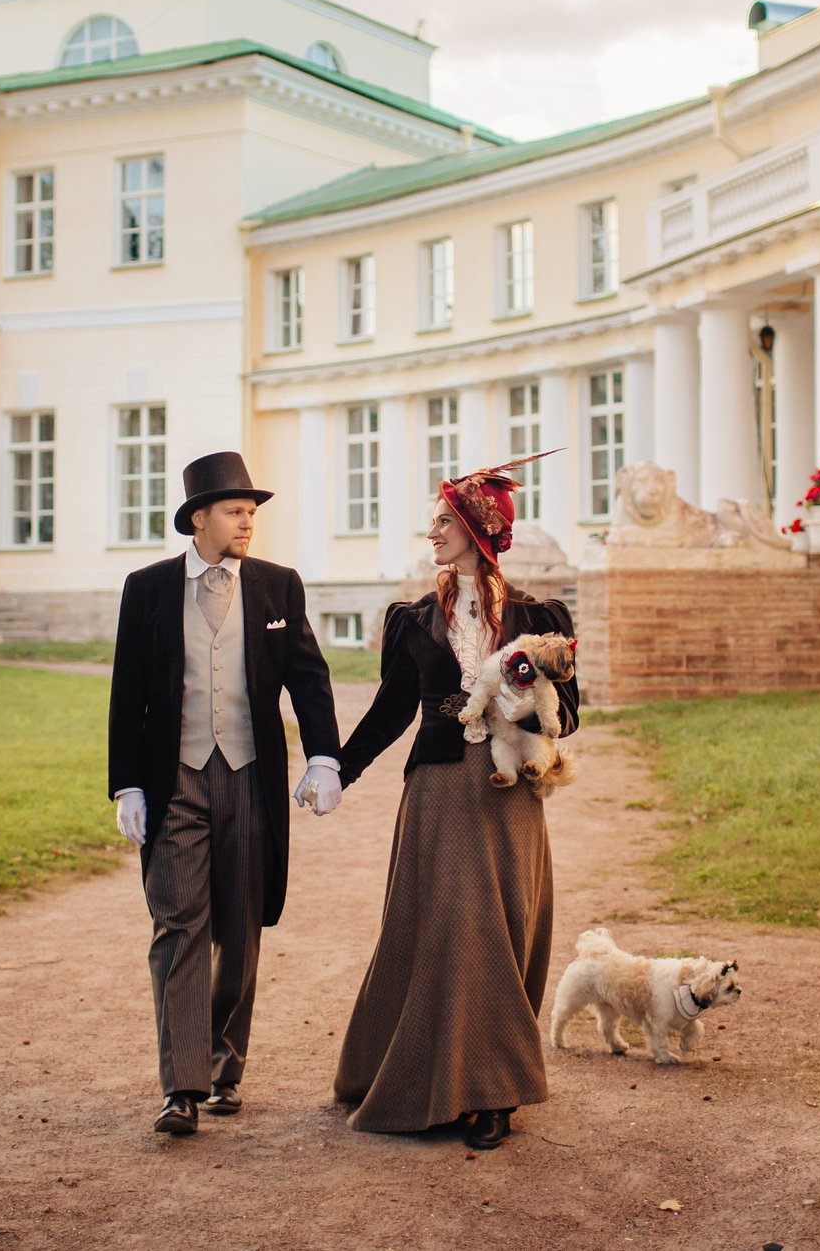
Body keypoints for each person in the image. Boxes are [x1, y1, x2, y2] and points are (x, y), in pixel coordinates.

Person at [330, 456, 578, 1151]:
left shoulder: (539, 618)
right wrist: (337, 769)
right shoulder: (412, 620)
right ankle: (425, 1076)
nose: (433, 532)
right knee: (440, 929)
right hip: (438, 792)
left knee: (500, 929)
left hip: (508, 796)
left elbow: (569, 715)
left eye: (444, 521)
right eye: (433, 522)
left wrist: (519, 705)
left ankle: (494, 1087)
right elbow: (390, 712)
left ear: (479, 529)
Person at [108, 451, 343, 1138]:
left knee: (239, 929)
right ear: (199, 518)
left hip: (249, 774)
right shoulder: (147, 588)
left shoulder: (277, 586)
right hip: (174, 778)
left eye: (251, 513)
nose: (247, 523)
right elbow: (127, 692)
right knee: (179, 925)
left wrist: (324, 757)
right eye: (236, 511)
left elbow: (309, 678)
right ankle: (181, 1087)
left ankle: (223, 1067)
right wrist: (127, 782)